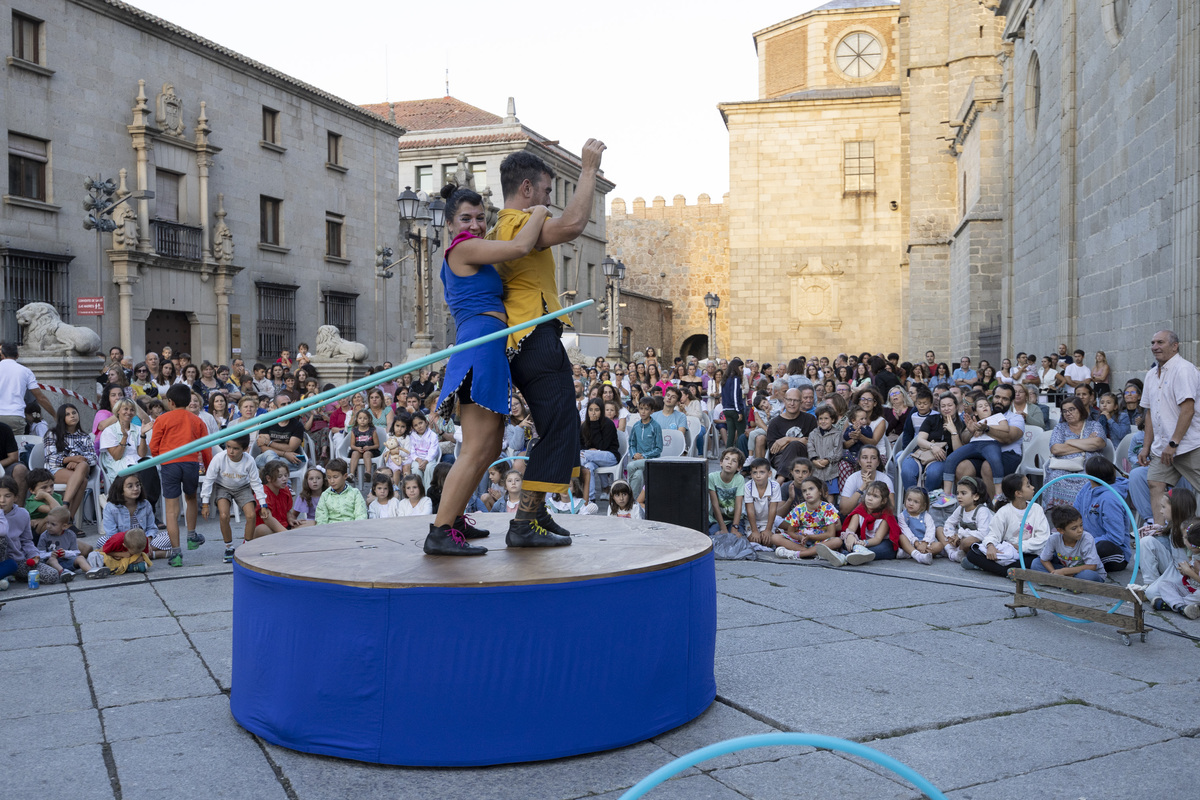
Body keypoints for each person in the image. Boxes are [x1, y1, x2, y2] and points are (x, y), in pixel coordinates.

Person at [486, 142, 605, 548]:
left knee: (563, 424)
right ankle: (523, 521)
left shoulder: (503, 227)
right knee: (558, 427)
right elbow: (572, 225)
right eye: (548, 191)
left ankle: (536, 514)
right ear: (526, 188)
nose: (551, 201)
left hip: (533, 336)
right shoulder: (518, 225)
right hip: (532, 336)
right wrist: (588, 169)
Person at [1138, 330, 1200, 522]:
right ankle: (1160, 530)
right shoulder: (1150, 374)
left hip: (1189, 445)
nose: (1155, 347)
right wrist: (1146, 446)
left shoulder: (1184, 369)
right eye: (1153, 342)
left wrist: (1173, 444)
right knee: (1155, 483)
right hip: (1162, 447)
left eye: (1160, 342)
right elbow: (1150, 413)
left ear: (1175, 346)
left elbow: (1188, 410)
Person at [149, 383, 213, 566]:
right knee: (191, 498)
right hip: (191, 463)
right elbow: (206, 447)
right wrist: (208, 468)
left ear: (170, 402)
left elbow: (154, 445)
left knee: (171, 508)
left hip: (170, 464)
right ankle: (192, 536)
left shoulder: (162, 419)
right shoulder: (197, 420)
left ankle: (176, 553)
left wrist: (159, 459)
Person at [200, 435, 268, 563]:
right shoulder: (219, 458)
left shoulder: (249, 460)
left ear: (245, 449)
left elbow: (256, 483)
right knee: (224, 515)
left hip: (243, 487)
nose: (231, 451)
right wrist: (205, 503)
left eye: (235, 449)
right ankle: (229, 547)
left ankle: (247, 546)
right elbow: (208, 480)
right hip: (223, 486)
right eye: (228, 447)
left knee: (251, 515)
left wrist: (263, 504)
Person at [934, 394, 1010, 506]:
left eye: (986, 405)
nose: (984, 407)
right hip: (974, 444)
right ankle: (947, 495)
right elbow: (965, 437)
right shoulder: (975, 422)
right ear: (975, 412)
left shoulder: (997, 416)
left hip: (990, 443)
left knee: (995, 460)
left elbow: (1006, 428)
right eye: (980, 406)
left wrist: (986, 427)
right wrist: (972, 429)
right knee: (951, 458)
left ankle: (998, 494)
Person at [1043, 397, 1107, 507]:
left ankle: (1084, 510)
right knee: (1055, 477)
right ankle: (1058, 512)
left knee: (1088, 480)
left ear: (1080, 409)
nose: (1068, 413)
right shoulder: (1060, 428)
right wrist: (1086, 444)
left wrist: (1069, 441)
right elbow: (1055, 449)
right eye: (1064, 411)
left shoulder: (1093, 425)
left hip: (1089, 466)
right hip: (1063, 466)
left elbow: (1099, 443)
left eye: (1072, 409)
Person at [1073, 456, 1132, 573]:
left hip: (1114, 554)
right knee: (1056, 539)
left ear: (1088, 474)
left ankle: (1073, 568)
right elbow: (1073, 516)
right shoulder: (1086, 488)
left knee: (1101, 547)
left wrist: (1086, 543)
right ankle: (1070, 565)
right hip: (1085, 544)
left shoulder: (1110, 499)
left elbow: (1116, 537)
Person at [817, 480, 896, 567]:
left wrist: (863, 543)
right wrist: (850, 536)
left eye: (875, 496)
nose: (870, 498)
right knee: (845, 540)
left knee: (885, 549)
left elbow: (877, 539)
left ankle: (844, 556)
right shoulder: (861, 509)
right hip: (861, 542)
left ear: (884, 501)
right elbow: (851, 529)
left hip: (878, 542)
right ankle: (857, 553)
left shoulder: (886, 514)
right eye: (868, 494)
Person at [0, 475, 59, 585]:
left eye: (7, 496)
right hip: (2, 563)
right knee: (1, 539)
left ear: (15, 498)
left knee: (52, 575)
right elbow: (2, 531)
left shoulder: (22, 514)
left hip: (17, 561)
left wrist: (34, 555)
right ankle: (5, 576)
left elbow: (26, 541)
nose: (2, 500)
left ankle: (16, 576)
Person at [43, 404, 96, 520]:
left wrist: (77, 462)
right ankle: (69, 519)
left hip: (80, 469)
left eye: (74, 413)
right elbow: (50, 458)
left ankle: (65, 505)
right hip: (55, 470)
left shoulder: (85, 436)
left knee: (82, 465)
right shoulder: (52, 434)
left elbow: (93, 457)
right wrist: (72, 459)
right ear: (62, 418)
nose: (72, 416)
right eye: (68, 414)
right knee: (83, 481)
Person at [99, 473, 170, 559]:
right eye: (130, 486)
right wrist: (130, 545)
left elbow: (152, 528)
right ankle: (152, 554)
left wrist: (147, 542)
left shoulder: (145, 504)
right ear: (120, 489)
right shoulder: (110, 507)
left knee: (169, 536)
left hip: (144, 542)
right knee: (102, 541)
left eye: (138, 485)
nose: (135, 489)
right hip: (123, 543)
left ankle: (133, 555)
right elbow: (112, 534)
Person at [773, 477, 840, 560]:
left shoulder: (827, 508)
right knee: (775, 537)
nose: (808, 493)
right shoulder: (799, 508)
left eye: (811, 489)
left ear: (820, 491)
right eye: (804, 491)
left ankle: (798, 554)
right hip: (801, 541)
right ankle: (812, 553)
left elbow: (831, 534)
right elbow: (790, 531)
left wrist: (810, 537)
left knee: (837, 541)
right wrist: (800, 537)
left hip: (820, 540)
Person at [1033, 505, 1105, 583]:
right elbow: (1044, 559)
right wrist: (1055, 573)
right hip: (1067, 572)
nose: (1080, 530)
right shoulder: (1054, 538)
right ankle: (1066, 583)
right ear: (1061, 530)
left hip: (1087, 573)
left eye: (1081, 525)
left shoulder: (1087, 539)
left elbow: (1092, 566)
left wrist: (1064, 571)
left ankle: (1063, 583)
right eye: (1074, 528)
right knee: (1036, 564)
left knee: (1087, 575)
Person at [1147, 517, 1200, 618]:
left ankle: (1171, 604)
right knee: (1164, 584)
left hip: (1197, 593)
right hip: (1190, 590)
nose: (1183, 540)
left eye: (1185, 538)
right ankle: (1182, 607)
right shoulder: (1195, 555)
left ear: (1194, 545)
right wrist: (1185, 571)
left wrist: (1189, 572)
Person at [0, 343, 56, 434]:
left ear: (2, 355)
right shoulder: (25, 371)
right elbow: (40, 397)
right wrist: (54, 414)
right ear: (17, 355)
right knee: (15, 446)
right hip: (15, 416)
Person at [764, 388, 817, 477]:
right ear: (784, 400)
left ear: (801, 402)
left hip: (803, 457)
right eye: (789, 400)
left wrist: (787, 439)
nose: (792, 403)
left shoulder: (810, 419)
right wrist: (799, 441)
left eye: (795, 400)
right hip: (780, 458)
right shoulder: (774, 423)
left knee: (794, 445)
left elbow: (812, 442)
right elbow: (773, 450)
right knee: (794, 446)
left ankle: (780, 479)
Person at [944, 476, 992, 563]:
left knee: (966, 542)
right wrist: (951, 535)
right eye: (958, 493)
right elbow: (949, 522)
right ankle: (952, 552)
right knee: (939, 529)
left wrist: (960, 534)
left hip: (982, 541)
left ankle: (955, 551)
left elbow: (983, 533)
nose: (959, 496)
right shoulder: (961, 508)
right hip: (961, 538)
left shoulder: (982, 511)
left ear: (976, 496)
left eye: (963, 493)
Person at [579, 399, 618, 504]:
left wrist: (595, 425)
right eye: (590, 410)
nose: (593, 412)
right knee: (588, 466)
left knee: (583, 456)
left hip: (610, 456)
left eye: (596, 410)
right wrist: (589, 450)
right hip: (591, 458)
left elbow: (603, 446)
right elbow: (580, 444)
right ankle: (590, 499)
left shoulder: (608, 424)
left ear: (601, 411)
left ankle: (574, 488)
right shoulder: (584, 426)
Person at [839, 446, 893, 517]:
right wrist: (862, 488)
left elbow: (891, 508)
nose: (869, 461)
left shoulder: (884, 479)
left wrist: (872, 487)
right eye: (864, 457)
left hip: (878, 518)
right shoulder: (852, 478)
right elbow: (844, 510)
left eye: (873, 458)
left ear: (878, 462)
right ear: (859, 462)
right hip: (856, 518)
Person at [37, 506, 90, 580]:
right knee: (52, 559)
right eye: (47, 523)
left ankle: (90, 571)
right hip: (52, 565)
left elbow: (76, 552)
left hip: (67, 561)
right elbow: (40, 554)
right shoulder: (44, 536)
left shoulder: (70, 535)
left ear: (64, 526)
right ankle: (63, 572)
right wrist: (50, 554)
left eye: (53, 524)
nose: (48, 526)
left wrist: (65, 553)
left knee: (80, 558)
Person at [626, 396, 664, 500]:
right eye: (641, 408)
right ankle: (633, 501)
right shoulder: (636, 426)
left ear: (652, 411)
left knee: (630, 466)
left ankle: (627, 495)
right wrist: (634, 454)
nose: (643, 412)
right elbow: (632, 443)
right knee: (637, 475)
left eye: (646, 409)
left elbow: (658, 448)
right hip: (637, 460)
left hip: (651, 460)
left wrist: (644, 456)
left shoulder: (655, 426)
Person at [896, 488, 941, 564]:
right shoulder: (902, 516)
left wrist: (925, 543)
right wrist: (916, 543)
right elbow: (906, 531)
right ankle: (917, 555)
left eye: (916, 502)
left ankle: (909, 554)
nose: (911, 503)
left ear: (923, 505)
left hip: (925, 544)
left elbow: (930, 530)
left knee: (939, 545)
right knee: (901, 537)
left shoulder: (927, 516)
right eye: (909, 500)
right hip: (910, 542)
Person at [314, 459, 367, 524]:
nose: (332, 481)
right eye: (329, 477)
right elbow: (321, 518)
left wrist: (355, 530)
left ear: (345, 476)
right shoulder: (325, 495)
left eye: (335, 477)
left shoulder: (355, 493)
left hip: (351, 529)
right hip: (330, 530)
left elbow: (361, 515)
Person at [708, 448, 746, 535]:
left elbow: (738, 505)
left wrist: (735, 527)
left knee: (737, 536)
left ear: (739, 467)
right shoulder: (712, 477)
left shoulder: (739, 479)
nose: (729, 462)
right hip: (716, 520)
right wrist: (723, 527)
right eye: (727, 459)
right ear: (721, 462)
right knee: (716, 535)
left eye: (734, 461)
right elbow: (715, 504)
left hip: (734, 520)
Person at [86, 527, 150, 577]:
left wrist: (139, 556)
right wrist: (121, 554)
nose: (136, 553)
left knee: (141, 558)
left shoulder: (144, 540)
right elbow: (102, 551)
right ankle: (128, 567)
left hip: (126, 559)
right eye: (134, 552)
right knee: (94, 556)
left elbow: (145, 554)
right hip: (111, 555)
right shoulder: (116, 540)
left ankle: (125, 567)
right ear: (124, 545)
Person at [254, 461, 293, 538]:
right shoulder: (262, 493)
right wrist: (287, 534)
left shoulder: (285, 490)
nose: (284, 479)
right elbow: (268, 519)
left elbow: (287, 511)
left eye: (286, 475)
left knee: (311, 523)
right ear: (268, 478)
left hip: (283, 528)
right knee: (262, 529)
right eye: (280, 476)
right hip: (269, 529)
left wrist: (291, 519)